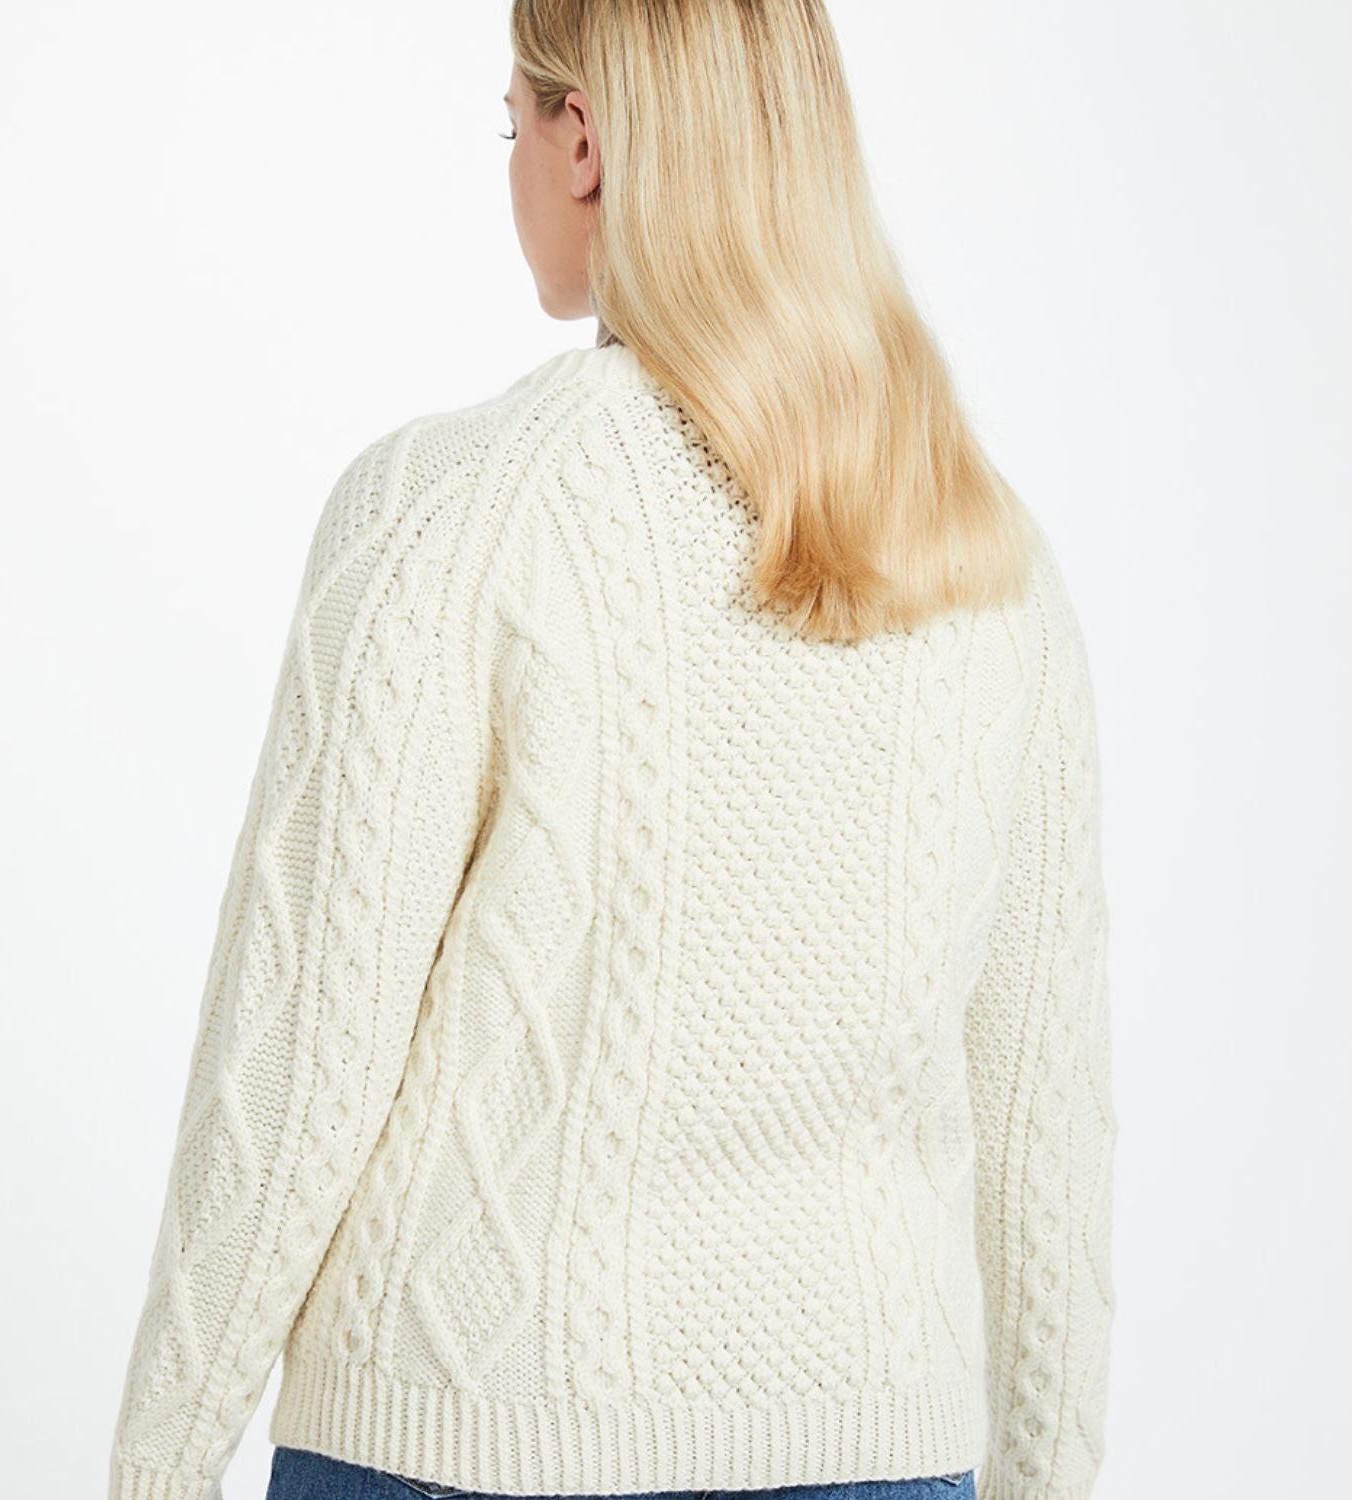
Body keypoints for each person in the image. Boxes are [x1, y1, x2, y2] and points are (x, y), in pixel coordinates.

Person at [107, 3, 1117, 1499]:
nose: (510, 157)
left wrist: (157, 1471)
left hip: (462, 1437)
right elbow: (1046, 1132)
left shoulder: (450, 509)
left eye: (509, 120)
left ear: (581, 139)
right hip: (878, 1449)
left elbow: (294, 1073)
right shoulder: (989, 561)